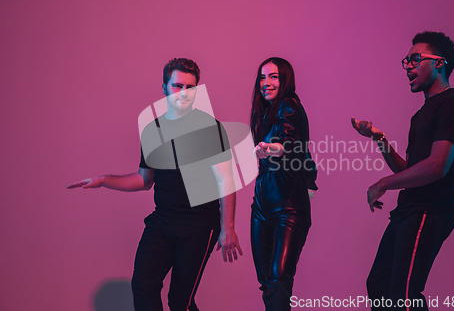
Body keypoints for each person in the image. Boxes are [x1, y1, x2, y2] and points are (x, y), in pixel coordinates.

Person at [67, 58, 242, 311]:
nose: (183, 93)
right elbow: (144, 179)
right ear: (164, 87)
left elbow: (225, 179)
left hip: (199, 224)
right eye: (177, 86)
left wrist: (228, 228)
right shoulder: (152, 130)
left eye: (190, 88)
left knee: (180, 302)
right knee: (143, 284)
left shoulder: (209, 128)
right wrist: (105, 180)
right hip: (163, 221)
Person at [352, 32, 454, 310]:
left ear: (439, 63)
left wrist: (383, 183)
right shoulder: (421, 114)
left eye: (415, 59)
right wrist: (379, 139)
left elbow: (436, 166)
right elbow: (412, 170)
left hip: (429, 210)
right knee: (380, 286)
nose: (408, 66)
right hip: (410, 208)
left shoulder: (453, 104)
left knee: (403, 294)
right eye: (406, 61)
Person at [250, 57, 317, 311]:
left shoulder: (289, 105)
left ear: (285, 79)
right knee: (267, 281)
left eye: (273, 77)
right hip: (261, 206)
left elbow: (288, 143)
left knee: (278, 278)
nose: (266, 83)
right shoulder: (264, 113)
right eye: (262, 77)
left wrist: (272, 148)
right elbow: (305, 154)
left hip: (287, 208)